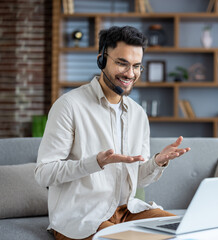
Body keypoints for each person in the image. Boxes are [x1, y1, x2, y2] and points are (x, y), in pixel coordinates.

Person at [35, 26, 190, 240]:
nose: (130, 73)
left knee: (184, 232)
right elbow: (44, 173)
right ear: (101, 60)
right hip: (83, 215)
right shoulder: (69, 106)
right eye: (122, 63)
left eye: (136, 66)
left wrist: (157, 162)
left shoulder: (138, 114)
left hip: (127, 211)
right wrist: (95, 162)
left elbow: (138, 180)